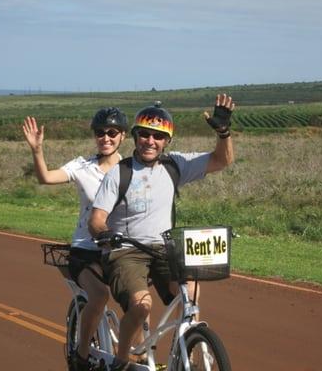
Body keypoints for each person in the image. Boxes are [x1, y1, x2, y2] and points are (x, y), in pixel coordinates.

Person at [89, 93, 236, 371]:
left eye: (158, 136)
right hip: (126, 251)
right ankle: (122, 359)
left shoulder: (174, 165)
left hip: (163, 249)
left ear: (167, 141)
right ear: (135, 136)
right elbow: (96, 220)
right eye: (144, 134)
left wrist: (223, 132)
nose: (150, 141)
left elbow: (222, 160)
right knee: (142, 305)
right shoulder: (118, 174)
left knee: (191, 291)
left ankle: (186, 353)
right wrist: (106, 233)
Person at [22, 108, 128, 371]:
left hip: (118, 250)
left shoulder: (132, 168)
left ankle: (132, 359)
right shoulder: (83, 167)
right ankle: (81, 355)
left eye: (112, 132)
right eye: (100, 132)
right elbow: (46, 177)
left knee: (136, 301)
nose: (106, 137)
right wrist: (37, 150)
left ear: (122, 136)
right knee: (100, 294)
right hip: (86, 251)